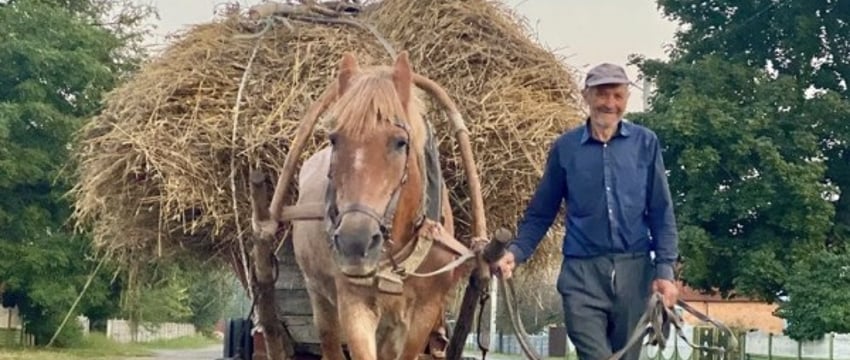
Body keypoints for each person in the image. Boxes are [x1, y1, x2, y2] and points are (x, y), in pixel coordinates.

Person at [494, 63, 680, 360]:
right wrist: (515, 253)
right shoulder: (565, 148)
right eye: (602, 95)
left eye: (617, 96)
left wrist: (665, 272)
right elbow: (541, 213)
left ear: (626, 99)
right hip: (581, 275)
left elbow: (661, 211)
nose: (610, 104)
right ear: (586, 96)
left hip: (635, 272)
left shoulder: (646, 143)